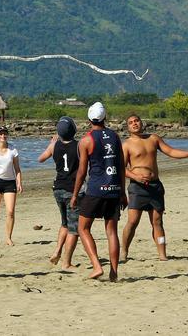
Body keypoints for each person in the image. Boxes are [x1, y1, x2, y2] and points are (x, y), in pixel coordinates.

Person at [120, 114, 188, 261]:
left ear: (141, 122)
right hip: (137, 187)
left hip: (155, 186)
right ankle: (124, 251)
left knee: (157, 222)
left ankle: (162, 254)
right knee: (132, 222)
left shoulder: (153, 138)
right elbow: (122, 169)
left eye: (137, 120)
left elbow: (170, 151)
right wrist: (135, 176)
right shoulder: (126, 145)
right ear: (128, 127)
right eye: (131, 122)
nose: (134, 124)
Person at [70, 102, 127, 281]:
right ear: (105, 118)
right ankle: (114, 272)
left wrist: (74, 194)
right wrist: (123, 192)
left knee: (83, 228)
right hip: (114, 189)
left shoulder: (86, 140)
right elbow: (121, 166)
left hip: (95, 190)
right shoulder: (115, 136)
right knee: (111, 232)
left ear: (89, 119)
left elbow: (81, 171)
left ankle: (96, 266)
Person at [37, 116, 80, 269]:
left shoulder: (54, 146)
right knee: (75, 228)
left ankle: (57, 251)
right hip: (72, 189)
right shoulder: (79, 146)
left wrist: (51, 144)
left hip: (58, 188)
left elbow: (40, 159)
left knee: (65, 224)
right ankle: (66, 263)